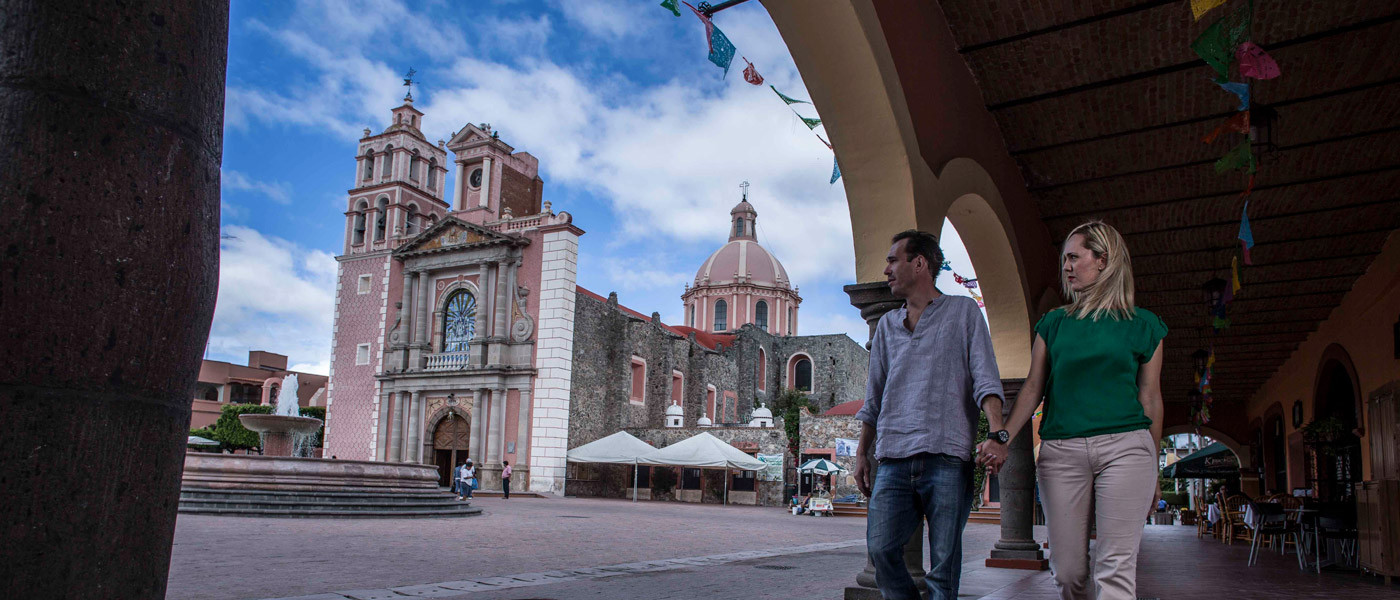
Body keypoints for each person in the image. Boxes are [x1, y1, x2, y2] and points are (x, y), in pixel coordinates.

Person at [978, 220, 1166, 600]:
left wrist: (1154, 467)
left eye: (1074, 257)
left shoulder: (1144, 326)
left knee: (1115, 570)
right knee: (1068, 573)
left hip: (1127, 448)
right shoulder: (1054, 324)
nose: (1066, 266)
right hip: (1061, 452)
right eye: (1064, 258)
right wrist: (1001, 437)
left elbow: (1150, 399)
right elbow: (1032, 388)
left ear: (1103, 260)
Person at [853, 229, 1005, 600]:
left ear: (919, 263)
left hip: (947, 457)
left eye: (893, 260)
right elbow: (874, 396)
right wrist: (862, 452)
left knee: (943, 568)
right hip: (892, 458)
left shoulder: (963, 312)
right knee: (882, 549)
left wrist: (998, 433)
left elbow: (986, 378)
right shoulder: (888, 325)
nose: (886, 269)